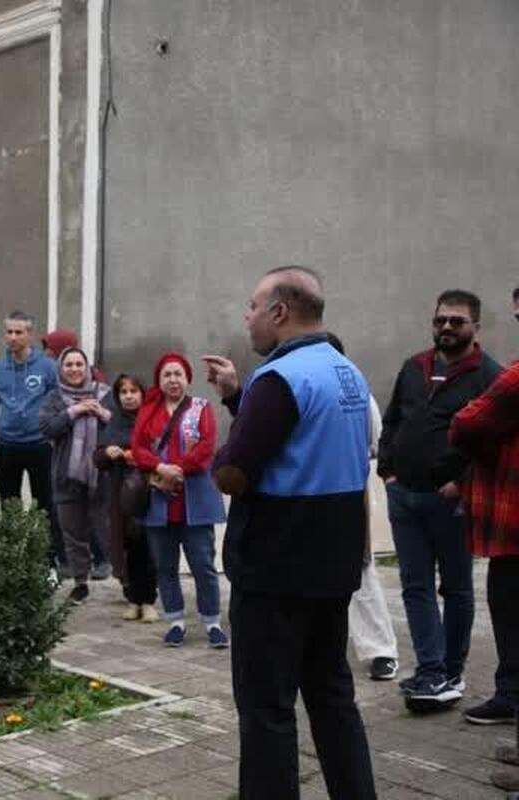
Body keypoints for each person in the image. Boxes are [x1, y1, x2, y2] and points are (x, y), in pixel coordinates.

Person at [206, 265, 375, 800]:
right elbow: (302, 441)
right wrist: (238, 398)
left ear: (280, 312)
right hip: (331, 565)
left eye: (252, 307)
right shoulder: (345, 370)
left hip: (276, 570)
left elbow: (236, 473)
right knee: (332, 698)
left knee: (267, 711)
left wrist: (220, 456)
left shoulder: (280, 379)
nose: (247, 318)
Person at [378, 289, 501, 711]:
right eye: (440, 320)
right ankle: (430, 671)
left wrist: (462, 482)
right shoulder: (415, 366)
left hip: (450, 503)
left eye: (456, 321)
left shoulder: (490, 377)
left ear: (475, 327)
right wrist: (388, 472)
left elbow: (496, 442)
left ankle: (452, 670)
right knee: (415, 587)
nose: (446, 328)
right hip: (403, 497)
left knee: (457, 588)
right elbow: (393, 419)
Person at [451, 307, 519, 732]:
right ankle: (510, 694)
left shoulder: (514, 377)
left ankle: (512, 696)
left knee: (511, 616)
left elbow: (466, 423)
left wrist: (484, 451)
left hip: (514, 528)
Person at [130, 353, 227, 648]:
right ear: (160, 381)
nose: (173, 380)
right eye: (167, 375)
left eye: (178, 374)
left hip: (195, 497)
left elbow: (207, 446)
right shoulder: (148, 411)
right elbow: (138, 447)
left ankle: (212, 622)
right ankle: (175, 621)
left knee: (204, 565)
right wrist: (161, 468)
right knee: (165, 566)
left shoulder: (201, 408)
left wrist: (179, 470)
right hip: (159, 501)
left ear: (187, 378)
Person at [327, 333, 399, 682]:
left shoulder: (358, 396)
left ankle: (380, 650)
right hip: (304, 496)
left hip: (350, 490)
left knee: (361, 570)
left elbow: (375, 443)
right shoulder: (295, 388)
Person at [0, 311, 63, 568]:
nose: (13, 337)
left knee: (44, 505)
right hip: (7, 446)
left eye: (19, 332)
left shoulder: (47, 367)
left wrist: (52, 435)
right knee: (9, 504)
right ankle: (12, 561)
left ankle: (47, 563)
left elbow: (58, 402)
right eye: (9, 332)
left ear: (29, 335)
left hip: (40, 445)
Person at [39, 347, 111, 604]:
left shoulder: (105, 394)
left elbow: (124, 426)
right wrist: (74, 411)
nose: (74, 369)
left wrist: (103, 414)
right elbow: (47, 428)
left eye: (79, 364)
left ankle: (129, 581)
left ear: (87, 367)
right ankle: (81, 582)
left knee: (108, 530)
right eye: (68, 365)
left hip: (102, 476)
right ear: (61, 368)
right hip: (65, 476)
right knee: (73, 533)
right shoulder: (54, 397)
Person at [94, 373, 159, 622]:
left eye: (134, 391)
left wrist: (140, 457)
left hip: (149, 492)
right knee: (127, 546)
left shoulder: (153, 421)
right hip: (121, 495)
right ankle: (133, 599)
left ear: (143, 394)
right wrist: (107, 453)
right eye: (123, 392)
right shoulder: (113, 424)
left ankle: (149, 600)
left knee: (148, 546)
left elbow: (160, 451)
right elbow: (97, 458)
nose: (129, 396)